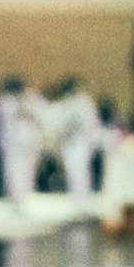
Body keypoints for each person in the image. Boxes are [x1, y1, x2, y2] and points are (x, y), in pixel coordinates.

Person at [47, 76, 106, 206]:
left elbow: (91, 123)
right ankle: (78, 199)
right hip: (68, 142)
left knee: (81, 170)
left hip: (82, 142)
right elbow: (54, 124)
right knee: (73, 170)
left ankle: (83, 199)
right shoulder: (61, 105)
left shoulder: (84, 103)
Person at [0, 76, 47, 208]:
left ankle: (27, 201)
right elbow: (10, 116)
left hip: (30, 144)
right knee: (12, 174)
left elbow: (42, 116)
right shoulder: (4, 100)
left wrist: (27, 104)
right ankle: (15, 202)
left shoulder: (34, 99)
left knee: (28, 174)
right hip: (12, 146)